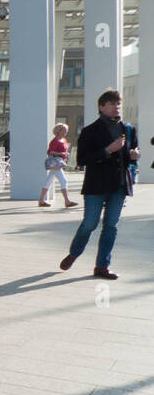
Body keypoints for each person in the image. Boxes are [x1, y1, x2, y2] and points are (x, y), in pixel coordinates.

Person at [60, 89, 139, 280]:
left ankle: (102, 266)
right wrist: (107, 150)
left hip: (119, 186)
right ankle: (75, 253)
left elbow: (131, 154)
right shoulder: (90, 131)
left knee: (111, 226)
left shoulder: (128, 129)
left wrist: (134, 155)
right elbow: (82, 160)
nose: (116, 107)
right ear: (101, 107)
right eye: (112, 104)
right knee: (90, 223)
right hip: (96, 185)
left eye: (118, 104)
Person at [39, 124, 78, 208]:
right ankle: (67, 201)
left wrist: (65, 154)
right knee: (64, 181)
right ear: (58, 131)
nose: (66, 131)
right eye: (64, 130)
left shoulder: (63, 139)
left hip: (59, 163)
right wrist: (61, 153)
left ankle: (41, 201)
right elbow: (50, 152)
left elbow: (64, 149)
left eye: (66, 130)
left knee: (48, 181)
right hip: (56, 163)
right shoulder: (55, 141)